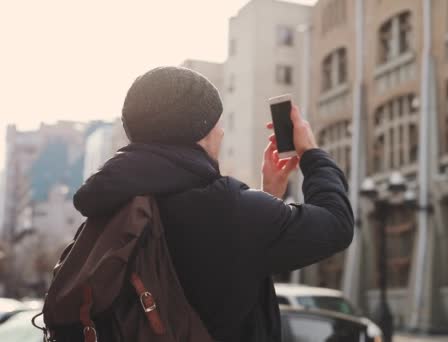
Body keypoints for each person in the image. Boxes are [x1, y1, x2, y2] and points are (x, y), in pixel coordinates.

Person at [73, 66, 354, 341]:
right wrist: (311, 153)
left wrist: (267, 196)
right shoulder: (229, 210)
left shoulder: (110, 207)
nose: (221, 132)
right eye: (217, 122)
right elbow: (336, 223)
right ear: (202, 130)